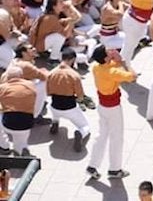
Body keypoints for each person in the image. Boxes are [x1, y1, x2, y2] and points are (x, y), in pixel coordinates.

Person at [86, 45, 137, 180]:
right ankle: (115, 169)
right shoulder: (112, 72)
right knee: (116, 138)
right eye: (107, 52)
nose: (110, 51)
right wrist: (124, 63)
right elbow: (133, 77)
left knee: (101, 136)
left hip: (103, 106)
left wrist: (117, 60)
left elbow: (112, 65)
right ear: (105, 57)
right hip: (113, 108)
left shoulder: (97, 67)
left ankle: (92, 165)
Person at [45, 46, 91, 152]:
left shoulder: (51, 73)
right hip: (69, 108)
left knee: (53, 109)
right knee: (85, 126)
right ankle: (80, 134)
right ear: (73, 59)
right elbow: (80, 96)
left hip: (54, 107)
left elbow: (48, 93)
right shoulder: (74, 75)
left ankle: (55, 122)